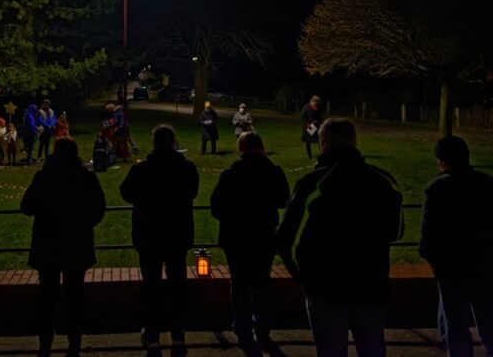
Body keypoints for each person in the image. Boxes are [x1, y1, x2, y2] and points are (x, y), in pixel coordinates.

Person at [276, 118, 403, 357]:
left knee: (331, 350)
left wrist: (302, 277)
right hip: (370, 283)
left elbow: (286, 239)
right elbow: (395, 232)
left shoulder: (312, 183)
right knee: (373, 347)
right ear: (354, 142)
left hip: (325, 286)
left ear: (323, 143)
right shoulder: (383, 182)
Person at [21, 137, 106, 357]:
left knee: (47, 294)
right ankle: (74, 338)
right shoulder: (85, 177)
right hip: (77, 244)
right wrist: (85, 223)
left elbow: (27, 207)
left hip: (47, 244)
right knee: (75, 292)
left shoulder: (44, 177)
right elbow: (98, 208)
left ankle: (45, 341)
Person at [120, 125, 200, 356]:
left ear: (154, 142)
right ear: (174, 142)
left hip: (149, 235)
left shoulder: (142, 169)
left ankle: (152, 333)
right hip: (177, 234)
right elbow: (192, 192)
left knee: (151, 286)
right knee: (177, 286)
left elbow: (126, 193)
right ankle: (178, 334)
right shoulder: (186, 168)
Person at [210, 132, 290, 356]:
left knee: (240, 283)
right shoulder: (273, 172)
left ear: (241, 148)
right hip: (264, 235)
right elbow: (284, 199)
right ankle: (262, 328)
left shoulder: (230, 174)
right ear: (261, 148)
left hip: (235, 237)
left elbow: (216, 207)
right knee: (262, 282)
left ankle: (242, 327)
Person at [419, 136, 493, 357]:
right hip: (484, 265)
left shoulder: (436, 188)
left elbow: (428, 234)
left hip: (450, 268)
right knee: (488, 317)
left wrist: (434, 263)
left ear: (442, 162)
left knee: (454, 322)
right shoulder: (487, 184)